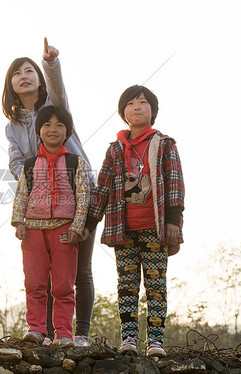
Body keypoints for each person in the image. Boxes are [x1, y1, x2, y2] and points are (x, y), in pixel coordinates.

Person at [3, 37, 96, 346]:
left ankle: (78, 333)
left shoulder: (53, 107)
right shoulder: (12, 126)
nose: (24, 76)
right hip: (40, 207)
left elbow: (58, 87)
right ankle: (46, 333)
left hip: (78, 198)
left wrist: (50, 63)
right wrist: (37, 174)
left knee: (76, 271)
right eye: (17, 73)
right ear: (11, 84)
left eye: (29, 70)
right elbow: (15, 161)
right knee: (42, 274)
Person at [85, 85, 185, 357]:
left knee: (155, 285)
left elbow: (175, 182)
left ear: (153, 111)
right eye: (130, 103)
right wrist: (89, 223)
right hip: (123, 229)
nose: (137, 107)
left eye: (143, 102)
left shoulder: (164, 144)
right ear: (122, 113)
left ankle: (155, 341)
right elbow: (103, 188)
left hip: (155, 227)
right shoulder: (115, 150)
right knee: (126, 285)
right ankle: (128, 338)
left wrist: (174, 220)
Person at [12, 105, 89, 348]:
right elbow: (22, 194)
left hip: (65, 230)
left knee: (64, 284)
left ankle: (64, 333)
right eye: (47, 125)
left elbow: (84, 196)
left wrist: (77, 227)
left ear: (67, 132)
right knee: (35, 282)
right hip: (33, 230)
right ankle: (36, 329)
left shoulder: (76, 163)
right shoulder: (30, 164)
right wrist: (18, 221)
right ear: (38, 131)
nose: (53, 129)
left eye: (59, 125)